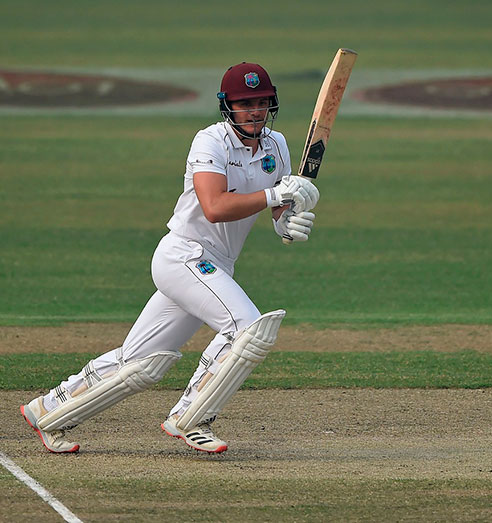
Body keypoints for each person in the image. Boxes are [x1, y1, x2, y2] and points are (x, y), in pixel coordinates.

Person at [20, 62, 319, 454]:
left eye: (261, 102)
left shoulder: (276, 145)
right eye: (245, 103)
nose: (255, 110)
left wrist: (286, 223)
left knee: (139, 363)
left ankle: (49, 407)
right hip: (184, 256)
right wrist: (275, 197)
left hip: (215, 266)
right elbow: (214, 206)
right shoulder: (209, 142)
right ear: (227, 105)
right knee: (247, 328)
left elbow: (274, 208)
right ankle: (191, 416)